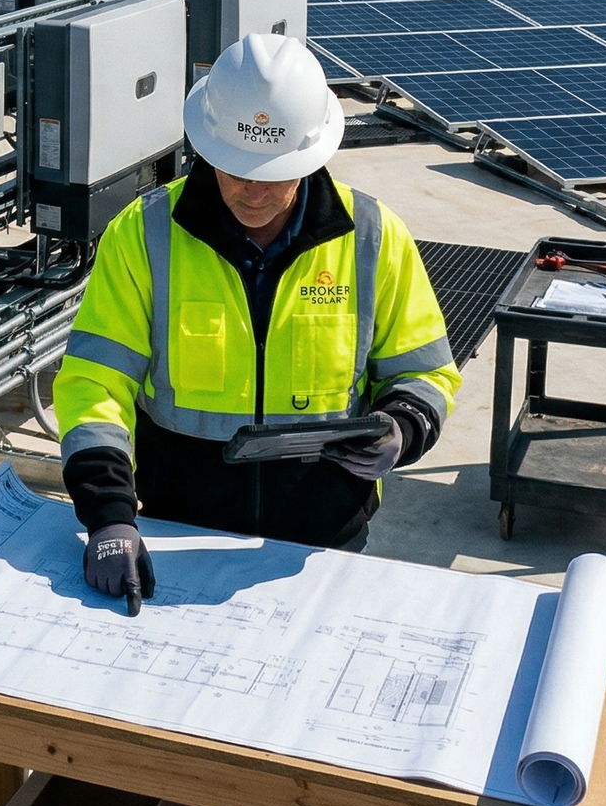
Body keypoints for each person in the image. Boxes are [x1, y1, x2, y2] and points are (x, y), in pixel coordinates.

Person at [54, 34, 460, 611]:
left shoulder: (373, 237)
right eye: (237, 169)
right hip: (177, 532)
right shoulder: (143, 235)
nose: (253, 192)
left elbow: (425, 374)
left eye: (276, 173)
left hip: (323, 543)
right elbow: (95, 384)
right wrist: (109, 516)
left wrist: (400, 429)